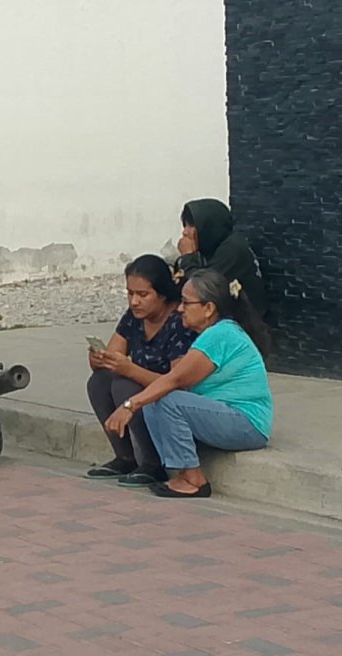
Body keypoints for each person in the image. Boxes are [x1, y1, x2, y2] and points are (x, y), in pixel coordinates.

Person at [104, 268, 273, 498]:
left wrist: (129, 406)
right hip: (223, 414)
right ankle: (177, 471)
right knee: (158, 399)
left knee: (167, 398)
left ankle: (195, 480)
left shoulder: (220, 334)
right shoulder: (212, 333)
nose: (180, 309)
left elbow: (176, 379)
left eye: (186, 302)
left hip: (246, 423)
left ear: (208, 308)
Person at [85, 255, 197, 486]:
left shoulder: (179, 322)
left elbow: (179, 381)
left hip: (167, 394)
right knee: (100, 381)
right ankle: (125, 456)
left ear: (162, 294)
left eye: (143, 295)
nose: (134, 301)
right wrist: (98, 358)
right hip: (138, 388)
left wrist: (130, 369)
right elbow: (113, 354)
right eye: (130, 294)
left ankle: (154, 463)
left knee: (124, 384)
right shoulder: (134, 317)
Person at [172, 198, 269, 318]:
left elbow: (202, 288)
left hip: (244, 324)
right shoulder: (208, 247)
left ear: (209, 226)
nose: (185, 232)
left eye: (191, 226)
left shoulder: (233, 249)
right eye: (185, 225)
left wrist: (188, 257)